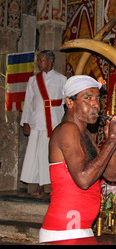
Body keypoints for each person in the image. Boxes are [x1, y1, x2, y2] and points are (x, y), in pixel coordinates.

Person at [39, 75, 116, 243]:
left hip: (81, 230)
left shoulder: (85, 133)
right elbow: (83, 179)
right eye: (87, 98)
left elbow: (112, 176)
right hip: (64, 231)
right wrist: (110, 141)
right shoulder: (67, 130)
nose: (95, 104)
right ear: (70, 102)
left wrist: (112, 142)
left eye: (97, 98)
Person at [20, 50, 67, 196]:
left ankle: (55, 184)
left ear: (50, 61)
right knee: (36, 153)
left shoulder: (61, 79)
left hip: (54, 121)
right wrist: (26, 121)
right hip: (36, 121)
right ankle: (40, 185)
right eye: (38, 60)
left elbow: (67, 101)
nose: (39, 63)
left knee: (52, 153)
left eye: (41, 60)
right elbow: (28, 102)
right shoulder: (33, 80)